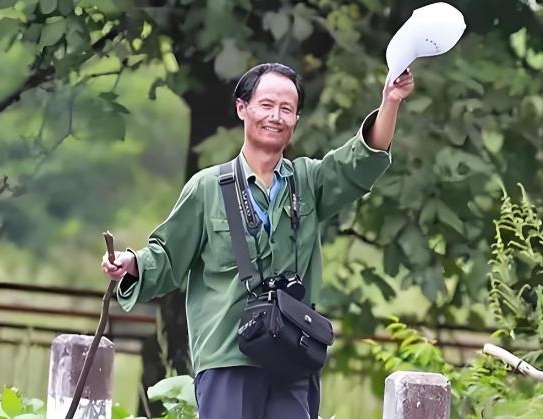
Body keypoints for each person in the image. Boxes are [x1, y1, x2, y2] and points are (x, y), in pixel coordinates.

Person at [101, 63, 414, 419]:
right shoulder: (207, 188)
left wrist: (391, 101)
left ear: (296, 119)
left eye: (286, 109)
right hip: (228, 356)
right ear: (242, 108)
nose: (276, 117)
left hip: (293, 353)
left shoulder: (307, 181)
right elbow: (168, 256)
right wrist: (132, 264)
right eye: (266, 105)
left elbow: (360, 161)